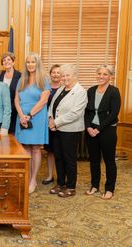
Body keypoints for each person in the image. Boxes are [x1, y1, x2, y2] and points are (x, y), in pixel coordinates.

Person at [48, 64, 87, 198]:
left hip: (70, 130)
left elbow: (75, 113)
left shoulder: (81, 92)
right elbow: (52, 105)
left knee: (69, 159)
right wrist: (50, 119)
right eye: (63, 75)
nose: (64, 78)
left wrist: (56, 122)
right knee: (58, 157)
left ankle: (71, 186)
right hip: (57, 129)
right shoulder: (61, 89)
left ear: (75, 76)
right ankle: (60, 184)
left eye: (67, 75)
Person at [14, 52, 50, 194]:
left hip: (36, 116)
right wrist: (21, 115)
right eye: (28, 62)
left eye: (33, 62)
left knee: (35, 148)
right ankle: (27, 177)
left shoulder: (44, 79)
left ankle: (33, 180)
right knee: (25, 148)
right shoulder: (22, 79)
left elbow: (43, 101)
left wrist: (29, 115)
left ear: (37, 64)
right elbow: (16, 100)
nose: (30, 65)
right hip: (22, 116)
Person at [84, 65, 121, 200]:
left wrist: (98, 129)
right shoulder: (91, 90)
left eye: (105, 74)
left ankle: (109, 188)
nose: (101, 76)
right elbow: (86, 111)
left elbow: (113, 114)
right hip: (91, 130)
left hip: (107, 129)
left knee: (109, 160)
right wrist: (88, 127)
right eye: (99, 73)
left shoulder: (114, 91)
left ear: (110, 76)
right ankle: (94, 185)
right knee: (94, 160)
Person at [42, 64, 62, 185]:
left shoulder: (65, 88)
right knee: (50, 152)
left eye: (58, 72)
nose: (55, 74)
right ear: (50, 74)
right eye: (53, 72)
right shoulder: (45, 88)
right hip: (47, 124)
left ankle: (61, 177)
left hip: (62, 124)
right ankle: (50, 175)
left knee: (60, 152)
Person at [0, 52, 22, 133]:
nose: (6, 61)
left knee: (12, 136)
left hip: (14, 110)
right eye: (4, 60)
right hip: (0, 110)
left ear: (13, 62)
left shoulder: (20, 76)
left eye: (9, 59)